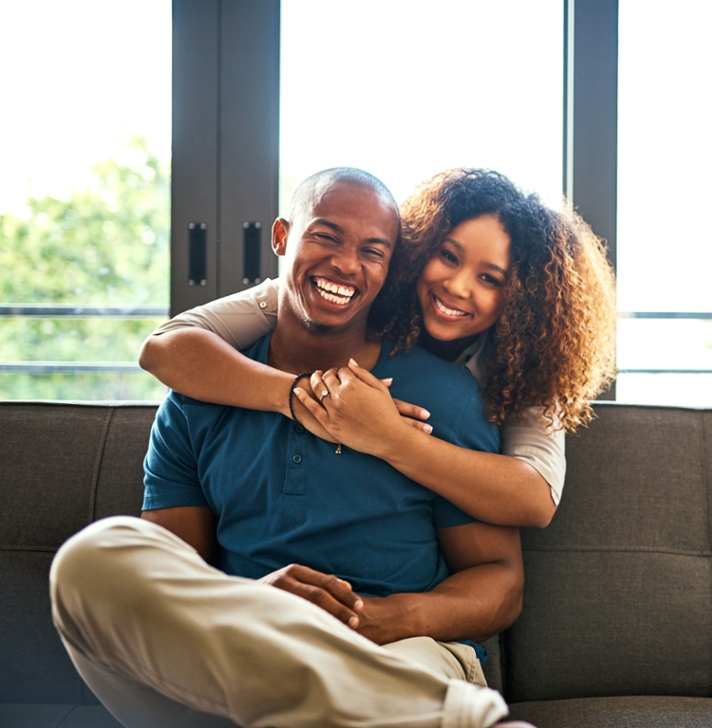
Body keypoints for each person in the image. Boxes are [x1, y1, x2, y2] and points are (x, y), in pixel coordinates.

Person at [50, 168, 528, 728]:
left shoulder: (442, 396)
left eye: (373, 251)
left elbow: (500, 578)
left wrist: (386, 617)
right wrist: (254, 604)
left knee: (371, 682)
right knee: (93, 557)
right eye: (326, 236)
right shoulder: (202, 392)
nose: (347, 264)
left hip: (394, 650)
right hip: (239, 646)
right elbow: (176, 572)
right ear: (282, 238)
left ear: (389, 269)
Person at [138, 168, 617, 528]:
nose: (456, 285)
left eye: (490, 278)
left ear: (525, 299)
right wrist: (306, 398)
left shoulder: (529, 365)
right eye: (447, 257)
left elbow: (534, 500)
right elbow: (164, 349)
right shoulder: (349, 289)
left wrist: (389, 436)